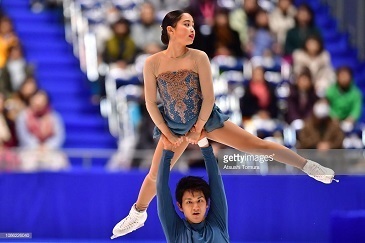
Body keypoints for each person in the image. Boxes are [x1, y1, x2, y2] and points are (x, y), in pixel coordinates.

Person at [111, 10, 336, 239]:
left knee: (259, 146)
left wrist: (198, 128)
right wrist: (168, 132)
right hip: (173, 126)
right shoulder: (152, 63)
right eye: (186, 25)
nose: (192, 30)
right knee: (155, 174)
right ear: (170, 30)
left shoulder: (199, 57)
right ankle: (137, 214)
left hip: (206, 120)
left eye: (193, 25)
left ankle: (308, 166)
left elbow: (209, 98)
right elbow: (150, 103)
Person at [156, 133, 229, 242]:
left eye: (200, 200)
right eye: (189, 202)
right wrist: (167, 152)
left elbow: (216, 182)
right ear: (180, 206)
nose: (196, 207)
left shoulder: (218, 223)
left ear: (207, 203)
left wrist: (204, 143)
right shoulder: (175, 231)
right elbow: (162, 189)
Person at [326, 66, 362, 131]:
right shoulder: (330, 91)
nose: (344, 79)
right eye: (342, 76)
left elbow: (356, 109)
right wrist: (333, 117)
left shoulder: (356, 93)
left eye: (346, 76)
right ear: (337, 77)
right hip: (332, 121)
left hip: (349, 123)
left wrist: (351, 118)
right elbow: (327, 106)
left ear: (351, 78)